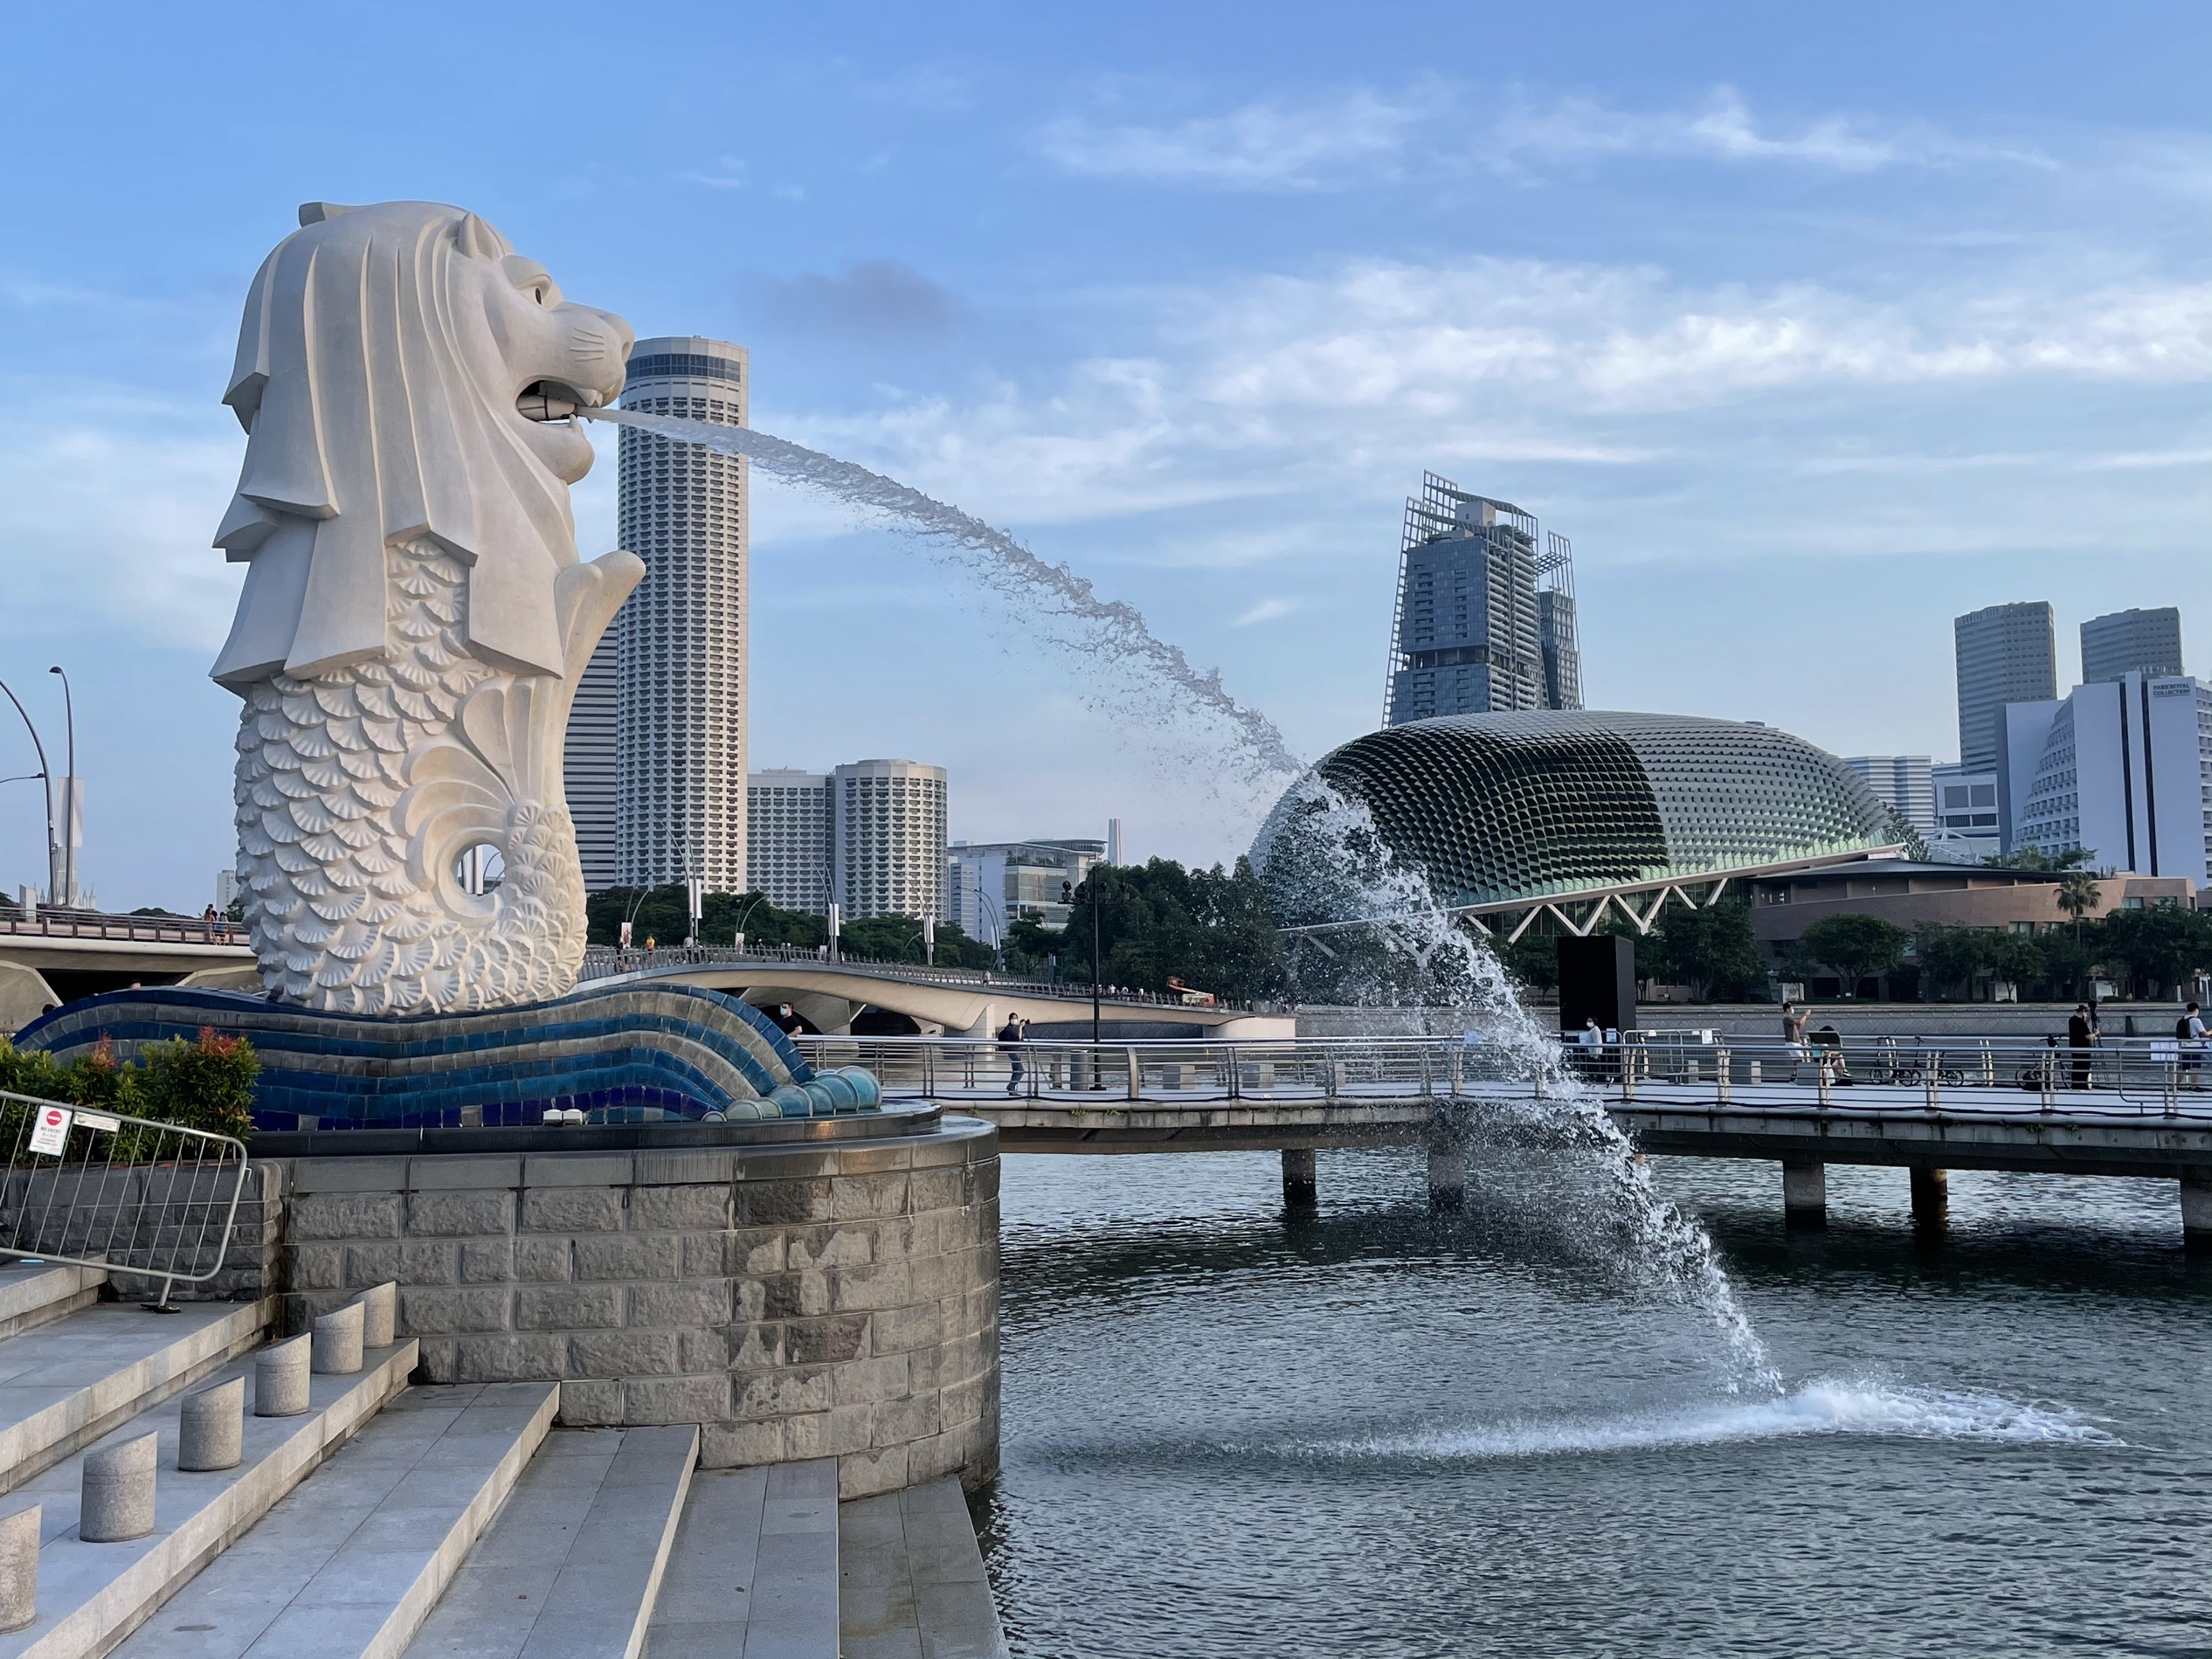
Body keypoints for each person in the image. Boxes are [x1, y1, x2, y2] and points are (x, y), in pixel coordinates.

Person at [999, 1012, 1028, 1096]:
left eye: (1016, 1018)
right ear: (1010, 1019)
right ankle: (1011, 1086)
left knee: (1016, 1071)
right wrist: (1020, 1027)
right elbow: (1018, 1040)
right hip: (1014, 1052)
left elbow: (1020, 1039)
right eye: (1014, 1018)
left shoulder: (1012, 1028)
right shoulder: (1009, 1029)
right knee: (1021, 1071)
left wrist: (1021, 1029)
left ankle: (1012, 1090)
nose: (1015, 1020)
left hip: (1014, 1052)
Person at [2070, 1003, 2098, 1090]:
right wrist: (2095, 1034)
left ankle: (2075, 1084)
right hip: (2083, 1048)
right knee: (2084, 1066)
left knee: (2076, 1065)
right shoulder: (2081, 1023)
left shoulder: (2071, 1020)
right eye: (2085, 1012)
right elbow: (2087, 1036)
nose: (2086, 1014)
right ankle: (2082, 1085)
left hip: (2074, 1047)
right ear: (2082, 1012)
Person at [2179, 1001, 2207, 1089]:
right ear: (2196, 1010)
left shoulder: (2183, 1019)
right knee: (2195, 1067)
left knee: (2183, 1067)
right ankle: (2194, 1086)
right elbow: (2204, 1034)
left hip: (2184, 1046)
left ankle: (2176, 1086)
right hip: (2195, 1047)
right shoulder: (2196, 1020)